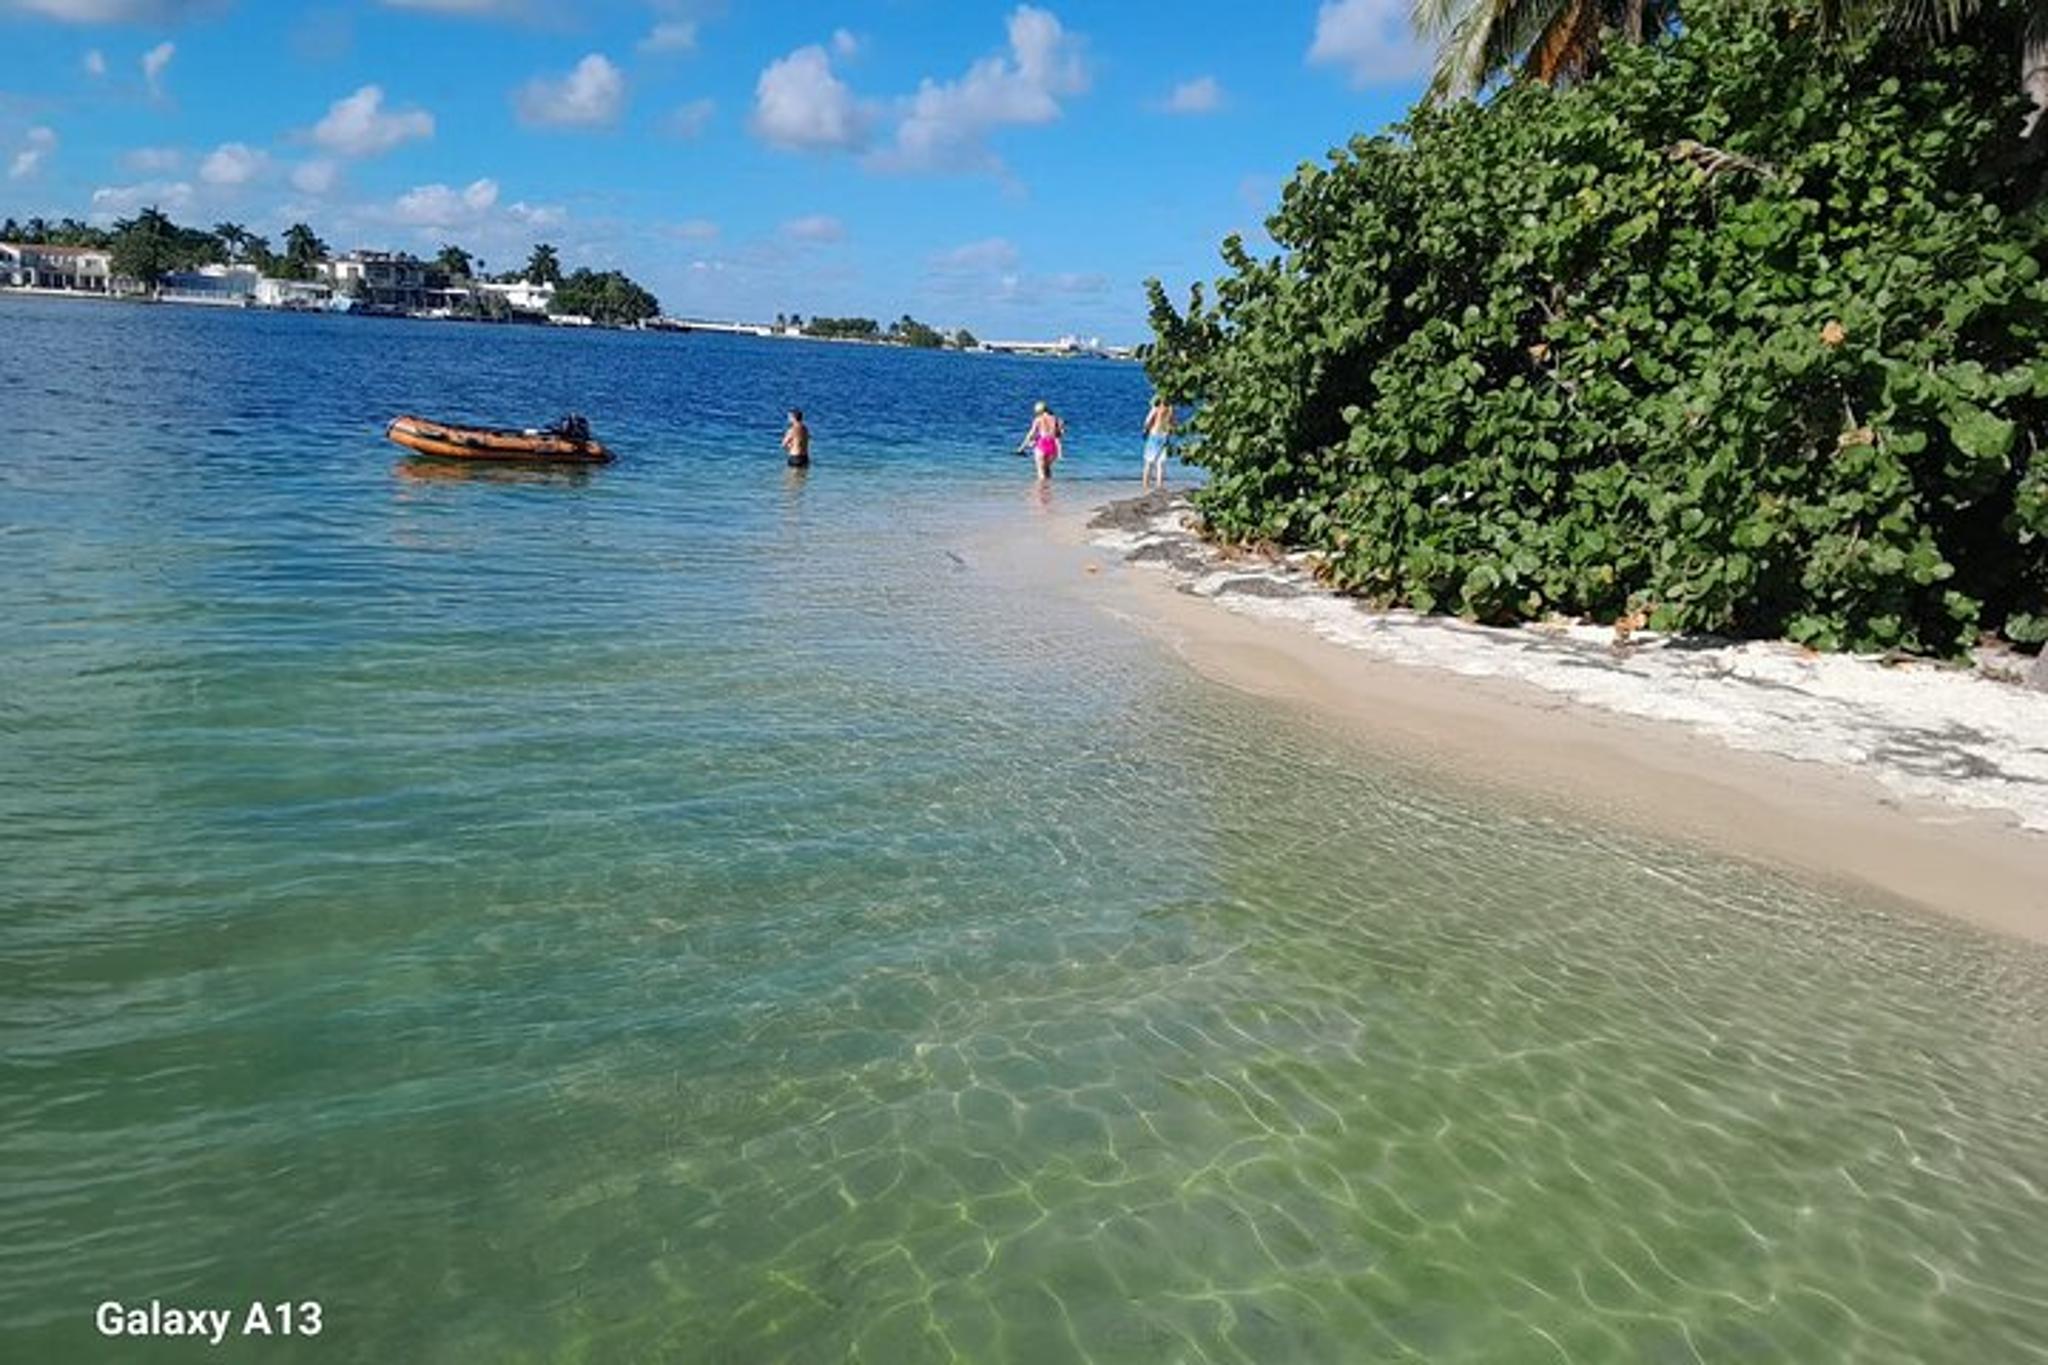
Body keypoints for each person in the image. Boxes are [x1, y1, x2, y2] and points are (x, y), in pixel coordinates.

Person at [1022, 401, 1063, 481]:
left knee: (1041, 472)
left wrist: (1022, 447)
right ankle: (1048, 487)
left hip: (1042, 444)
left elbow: (1031, 434)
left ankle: (1041, 488)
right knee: (1047, 469)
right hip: (1053, 446)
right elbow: (1059, 436)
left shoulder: (1038, 419)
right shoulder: (1057, 419)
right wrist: (1060, 452)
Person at [1141, 396, 1175, 490]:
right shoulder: (1170, 409)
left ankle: (1145, 486)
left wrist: (1145, 431)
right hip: (1164, 435)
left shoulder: (1156, 408)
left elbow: (1147, 421)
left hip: (1154, 434)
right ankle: (1159, 486)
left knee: (1148, 462)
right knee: (1160, 464)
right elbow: (1172, 424)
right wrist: (1170, 434)